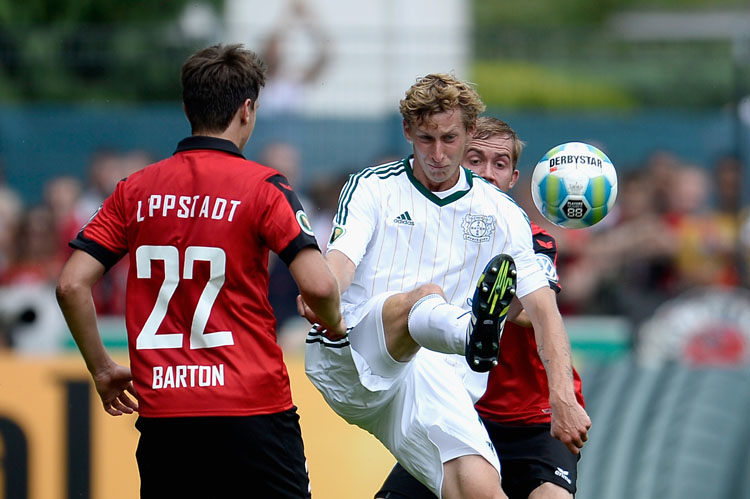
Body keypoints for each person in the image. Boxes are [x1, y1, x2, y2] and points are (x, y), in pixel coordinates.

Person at [55, 43, 345, 498]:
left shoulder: (134, 190)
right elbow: (320, 285)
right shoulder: (265, 188)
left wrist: (102, 368)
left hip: (166, 412)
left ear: (187, 107)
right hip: (252, 408)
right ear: (247, 110)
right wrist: (334, 321)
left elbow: (72, 284)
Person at [302, 74, 590, 498]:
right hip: (356, 355)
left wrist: (563, 396)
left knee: (480, 489)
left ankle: (470, 331)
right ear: (407, 132)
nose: (437, 154)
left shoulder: (503, 215)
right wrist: (324, 290)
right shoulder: (372, 188)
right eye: (426, 139)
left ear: (469, 131)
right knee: (423, 298)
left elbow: (544, 312)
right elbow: (340, 264)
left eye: (449, 139)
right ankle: (470, 331)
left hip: (438, 380)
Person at [376, 117, 588, 499]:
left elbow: (529, 312)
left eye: (500, 164)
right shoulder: (425, 239)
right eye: (475, 161)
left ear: (512, 178)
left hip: (533, 417)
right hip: (458, 411)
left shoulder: (534, 242)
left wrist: (563, 399)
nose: (488, 174)